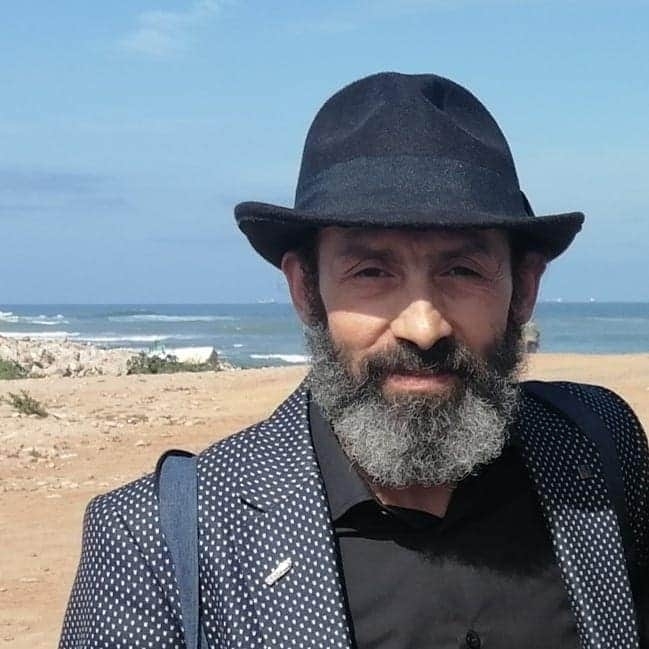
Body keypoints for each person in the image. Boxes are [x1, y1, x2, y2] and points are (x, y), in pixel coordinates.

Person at [59, 72, 649, 649]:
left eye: (462, 270)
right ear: (306, 290)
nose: (423, 327)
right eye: (371, 272)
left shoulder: (597, 447)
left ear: (523, 289)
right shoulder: (157, 544)